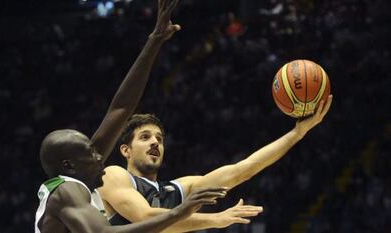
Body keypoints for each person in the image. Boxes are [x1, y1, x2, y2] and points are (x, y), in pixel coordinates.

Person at [34, 0, 229, 232]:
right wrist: (179, 212)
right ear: (69, 165)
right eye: (91, 153)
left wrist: (155, 40)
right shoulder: (66, 189)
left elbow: (121, 109)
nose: (100, 157)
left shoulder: (81, 171)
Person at [98, 95, 333, 232]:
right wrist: (216, 219)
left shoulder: (180, 188)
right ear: (125, 150)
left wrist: (298, 133)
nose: (155, 143)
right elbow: (147, 218)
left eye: (159, 139)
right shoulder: (113, 174)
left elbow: (244, 169)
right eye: (145, 137)